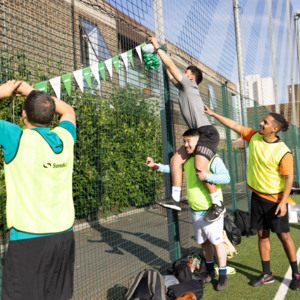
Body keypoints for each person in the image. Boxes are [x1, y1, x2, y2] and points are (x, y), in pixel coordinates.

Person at [203, 104, 300, 290]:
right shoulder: (254, 136)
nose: (261, 123)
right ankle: (267, 274)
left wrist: (284, 202)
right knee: (262, 235)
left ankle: (296, 274)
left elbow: (289, 179)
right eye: (263, 121)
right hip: (257, 197)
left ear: (275, 129)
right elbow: (234, 125)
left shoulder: (284, 152)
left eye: (265, 122)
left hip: (275, 201)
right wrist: (214, 114)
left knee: (284, 236)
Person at [0, 80, 76, 299]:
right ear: (53, 118)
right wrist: (31, 91)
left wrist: (4, 92)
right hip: (64, 238)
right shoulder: (65, 138)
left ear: (24, 115)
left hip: (28, 239)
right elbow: (68, 110)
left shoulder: (16, 138)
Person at [149, 37, 224, 223]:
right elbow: (169, 72)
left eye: (185, 72)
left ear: (191, 77)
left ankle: (217, 204)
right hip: (196, 134)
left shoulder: (190, 84)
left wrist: (157, 46)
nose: (182, 73)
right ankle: (175, 199)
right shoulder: (183, 89)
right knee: (175, 160)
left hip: (206, 133)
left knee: (200, 168)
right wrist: (160, 55)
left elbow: (171, 65)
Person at [146, 128, 230, 291]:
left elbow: (226, 178)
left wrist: (209, 177)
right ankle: (210, 271)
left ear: (198, 141)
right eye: (183, 141)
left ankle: (223, 276)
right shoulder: (189, 160)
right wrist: (155, 166)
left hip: (211, 211)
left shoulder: (212, 159)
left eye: (188, 141)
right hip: (195, 211)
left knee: (218, 243)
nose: (185, 145)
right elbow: (173, 169)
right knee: (204, 244)